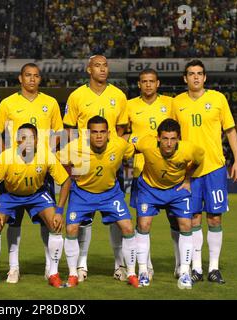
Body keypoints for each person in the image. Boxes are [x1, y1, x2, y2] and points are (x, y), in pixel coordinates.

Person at [0, 63, 64, 283]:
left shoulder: (50, 103)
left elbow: (59, 132)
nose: (32, 79)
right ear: (20, 78)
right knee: (13, 221)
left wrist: (45, 153)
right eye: (28, 76)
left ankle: (50, 267)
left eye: (36, 76)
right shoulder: (8, 103)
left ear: (40, 79)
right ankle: (14, 267)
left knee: (47, 221)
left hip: (40, 169)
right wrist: (8, 156)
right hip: (14, 169)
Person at [172, 59, 237, 284]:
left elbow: (230, 131)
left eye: (199, 73)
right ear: (185, 78)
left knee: (214, 218)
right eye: (191, 73)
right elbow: (171, 137)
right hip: (188, 172)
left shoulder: (218, 99)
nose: (195, 77)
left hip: (214, 168)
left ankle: (213, 268)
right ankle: (196, 268)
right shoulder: (177, 103)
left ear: (205, 78)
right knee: (192, 219)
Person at [63, 55, 128, 282]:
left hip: (109, 161)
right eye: (98, 65)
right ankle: (81, 264)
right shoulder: (76, 96)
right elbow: (69, 130)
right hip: (83, 162)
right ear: (88, 69)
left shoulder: (118, 96)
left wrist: (115, 156)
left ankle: (119, 264)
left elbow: (121, 132)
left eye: (105, 65)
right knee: (83, 218)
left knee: (116, 218)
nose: (102, 69)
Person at [0, 123, 70, 288]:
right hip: (9, 196)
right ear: (17, 141)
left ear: (37, 140)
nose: (27, 142)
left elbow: (65, 181)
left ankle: (53, 273)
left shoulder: (46, 156)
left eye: (31, 138)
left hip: (37, 195)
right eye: (23, 138)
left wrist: (59, 211)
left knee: (56, 225)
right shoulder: (6, 157)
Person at [59, 116, 139, 288]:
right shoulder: (75, 147)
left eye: (102, 132)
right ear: (88, 134)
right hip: (82, 194)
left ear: (109, 133)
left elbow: (133, 151)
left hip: (110, 194)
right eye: (94, 132)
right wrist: (71, 172)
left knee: (128, 227)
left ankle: (131, 273)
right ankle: (73, 273)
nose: (99, 136)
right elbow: (58, 162)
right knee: (71, 228)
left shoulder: (119, 145)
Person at [133, 119, 204, 289]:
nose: (169, 143)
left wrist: (187, 178)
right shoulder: (146, 144)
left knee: (186, 225)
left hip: (176, 189)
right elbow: (129, 147)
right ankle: (143, 271)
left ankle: (185, 273)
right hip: (149, 188)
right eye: (165, 138)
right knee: (143, 224)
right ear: (158, 138)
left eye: (173, 139)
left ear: (179, 138)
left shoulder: (190, 149)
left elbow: (199, 160)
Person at [126, 69, 174, 279]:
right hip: (141, 171)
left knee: (178, 221)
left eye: (151, 81)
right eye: (144, 81)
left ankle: (182, 265)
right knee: (143, 222)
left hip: (170, 171)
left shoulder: (170, 104)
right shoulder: (129, 105)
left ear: (158, 83)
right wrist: (133, 141)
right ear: (139, 84)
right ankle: (146, 265)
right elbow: (123, 133)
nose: (147, 85)